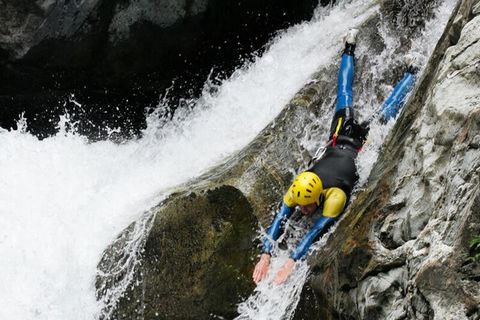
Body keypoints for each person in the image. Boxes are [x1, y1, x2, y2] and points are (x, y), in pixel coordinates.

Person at [252, 28, 418, 285]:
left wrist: (292, 260)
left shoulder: (335, 197)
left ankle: (412, 73)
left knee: (387, 111)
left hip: (361, 144)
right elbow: (280, 216)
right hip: (338, 137)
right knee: (343, 93)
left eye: (306, 206)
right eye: (302, 206)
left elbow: (318, 231)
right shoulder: (299, 187)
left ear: (320, 196)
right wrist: (265, 255)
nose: (304, 210)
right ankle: (349, 48)